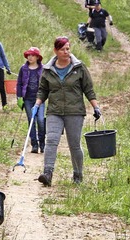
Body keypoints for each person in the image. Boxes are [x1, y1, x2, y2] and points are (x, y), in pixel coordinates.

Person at [34, 37, 101, 186]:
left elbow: (88, 89)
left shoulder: (79, 67)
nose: (66, 52)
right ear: (55, 51)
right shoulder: (47, 70)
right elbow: (43, 90)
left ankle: (78, 174)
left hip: (74, 112)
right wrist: (37, 104)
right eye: (63, 49)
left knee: (74, 145)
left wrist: (96, 107)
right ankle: (48, 173)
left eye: (68, 48)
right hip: (54, 111)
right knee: (51, 141)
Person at [16, 47, 46, 153]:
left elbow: (46, 84)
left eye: (32, 55)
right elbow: (19, 83)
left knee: (41, 120)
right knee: (31, 120)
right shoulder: (23, 68)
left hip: (40, 99)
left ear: (37, 57)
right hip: (27, 99)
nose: (30, 57)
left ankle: (42, 143)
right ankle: (34, 144)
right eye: (28, 55)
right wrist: (19, 97)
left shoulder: (43, 69)